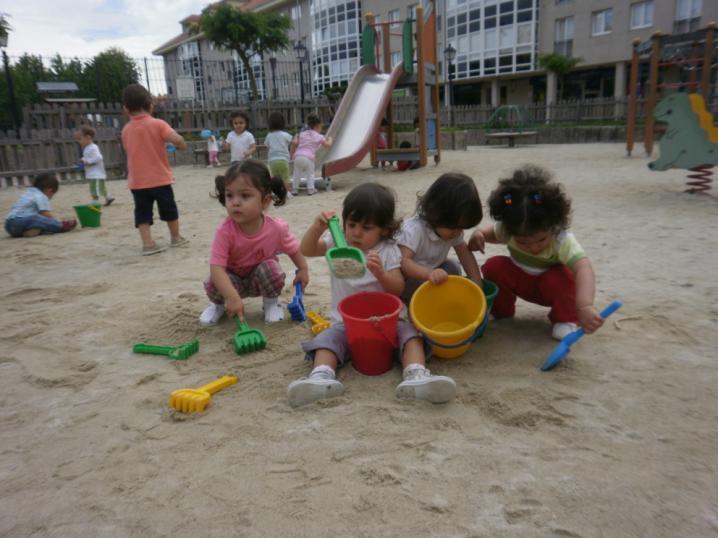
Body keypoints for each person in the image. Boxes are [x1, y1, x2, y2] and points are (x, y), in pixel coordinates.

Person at [287, 182, 456, 408]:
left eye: (366, 228)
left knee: (411, 336)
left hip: (388, 322)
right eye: (352, 224)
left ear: (384, 230)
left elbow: (396, 288)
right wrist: (317, 228)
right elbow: (308, 250)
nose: (356, 233)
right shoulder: (338, 243)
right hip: (346, 322)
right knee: (326, 341)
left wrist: (381, 274)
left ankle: (416, 374)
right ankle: (321, 377)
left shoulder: (387, 250)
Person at [468, 165, 604, 341]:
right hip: (521, 281)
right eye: (523, 242)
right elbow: (489, 233)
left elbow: (583, 268)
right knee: (494, 266)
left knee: (563, 278)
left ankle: (566, 319)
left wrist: (585, 305)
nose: (533, 247)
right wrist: (478, 235)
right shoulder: (509, 229)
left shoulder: (560, 238)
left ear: (553, 224)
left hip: (551, 288)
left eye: (541, 240)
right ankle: (501, 310)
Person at [199, 159, 309, 327]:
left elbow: (293, 249)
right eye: (230, 195)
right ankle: (218, 305)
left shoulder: (276, 228)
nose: (235, 202)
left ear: (265, 201)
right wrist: (231, 297)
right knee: (214, 280)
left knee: (271, 268)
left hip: (261, 281)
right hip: (233, 283)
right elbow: (217, 267)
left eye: (245, 195)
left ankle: (271, 303)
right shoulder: (225, 231)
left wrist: (303, 269)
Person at [121, 84, 189, 256]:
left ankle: (148, 244)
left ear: (126, 109)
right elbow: (176, 139)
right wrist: (181, 144)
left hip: (137, 181)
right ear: (151, 104)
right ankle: (175, 237)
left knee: (142, 212)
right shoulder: (158, 124)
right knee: (169, 209)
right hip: (159, 178)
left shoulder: (126, 130)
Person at [397, 173, 483, 304]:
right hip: (408, 280)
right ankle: (415, 303)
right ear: (435, 213)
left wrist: (477, 285)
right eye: (454, 227)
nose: (458, 232)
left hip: (431, 274)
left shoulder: (451, 229)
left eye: (462, 228)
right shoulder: (414, 230)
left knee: (453, 267)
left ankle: (435, 299)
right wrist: (428, 273)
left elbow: (465, 255)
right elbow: (403, 262)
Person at [4, 173, 77, 237]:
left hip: (9, 226)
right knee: (36, 218)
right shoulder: (41, 196)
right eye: (53, 194)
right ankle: (61, 226)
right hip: (20, 222)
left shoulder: (30, 192)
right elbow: (45, 213)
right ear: (50, 191)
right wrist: (56, 222)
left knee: (39, 221)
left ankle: (31, 231)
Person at [289, 113, 333, 196]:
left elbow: (296, 143)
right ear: (317, 126)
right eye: (320, 127)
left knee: (296, 173)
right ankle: (311, 189)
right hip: (308, 158)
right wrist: (330, 139)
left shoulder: (302, 134)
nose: (321, 129)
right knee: (310, 174)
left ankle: (294, 190)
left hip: (298, 156)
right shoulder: (319, 136)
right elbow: (327, 145)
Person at [75, 125, 114, 206]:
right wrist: (83, 159)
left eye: (79, 139)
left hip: (96, 173)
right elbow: (89, 157)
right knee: (101, 187)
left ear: (88, 137)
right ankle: (108, 197)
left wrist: (88, 162)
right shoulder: (88, 148)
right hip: (94, 173)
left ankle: (95, 201)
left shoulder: (93, 147)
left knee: (94, 187)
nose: (78, 141)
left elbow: (98, 157)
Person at [264, 112, 293, 191]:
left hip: (272, 161)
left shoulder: (269, 135)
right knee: (285, 178)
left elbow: (267, 146)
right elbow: (293, 142)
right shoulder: (285, 134)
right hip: (283, 160)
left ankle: (277, 192)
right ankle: (287, 193)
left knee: (275, 179)